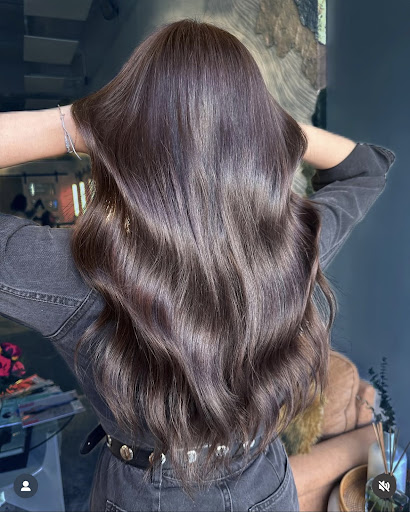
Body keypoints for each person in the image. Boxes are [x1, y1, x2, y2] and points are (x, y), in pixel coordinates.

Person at [0, 19, 396, 512]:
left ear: (127, 137)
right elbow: (367, 168)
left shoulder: (80, 269)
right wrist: (263, 124)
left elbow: (369, 169)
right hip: (266, 488)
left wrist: (78, 123)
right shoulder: (291, 247)